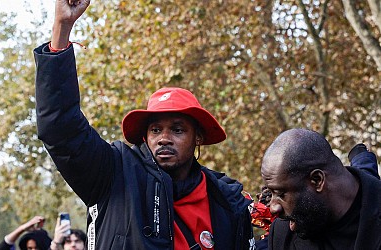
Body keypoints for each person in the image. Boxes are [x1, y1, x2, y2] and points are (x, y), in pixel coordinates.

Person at [33, 0, 255, 249]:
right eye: (156, 129)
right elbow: (60, 127)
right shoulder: (113, 173)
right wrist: (62, 27)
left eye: (178, 129)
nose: (164, 138)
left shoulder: (226, 199)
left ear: (199, 137)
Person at [260, 128, 381, 250]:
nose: (273, 208)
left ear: (317, 180)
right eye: (271, 192)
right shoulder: (282, 232)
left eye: (281, 194)